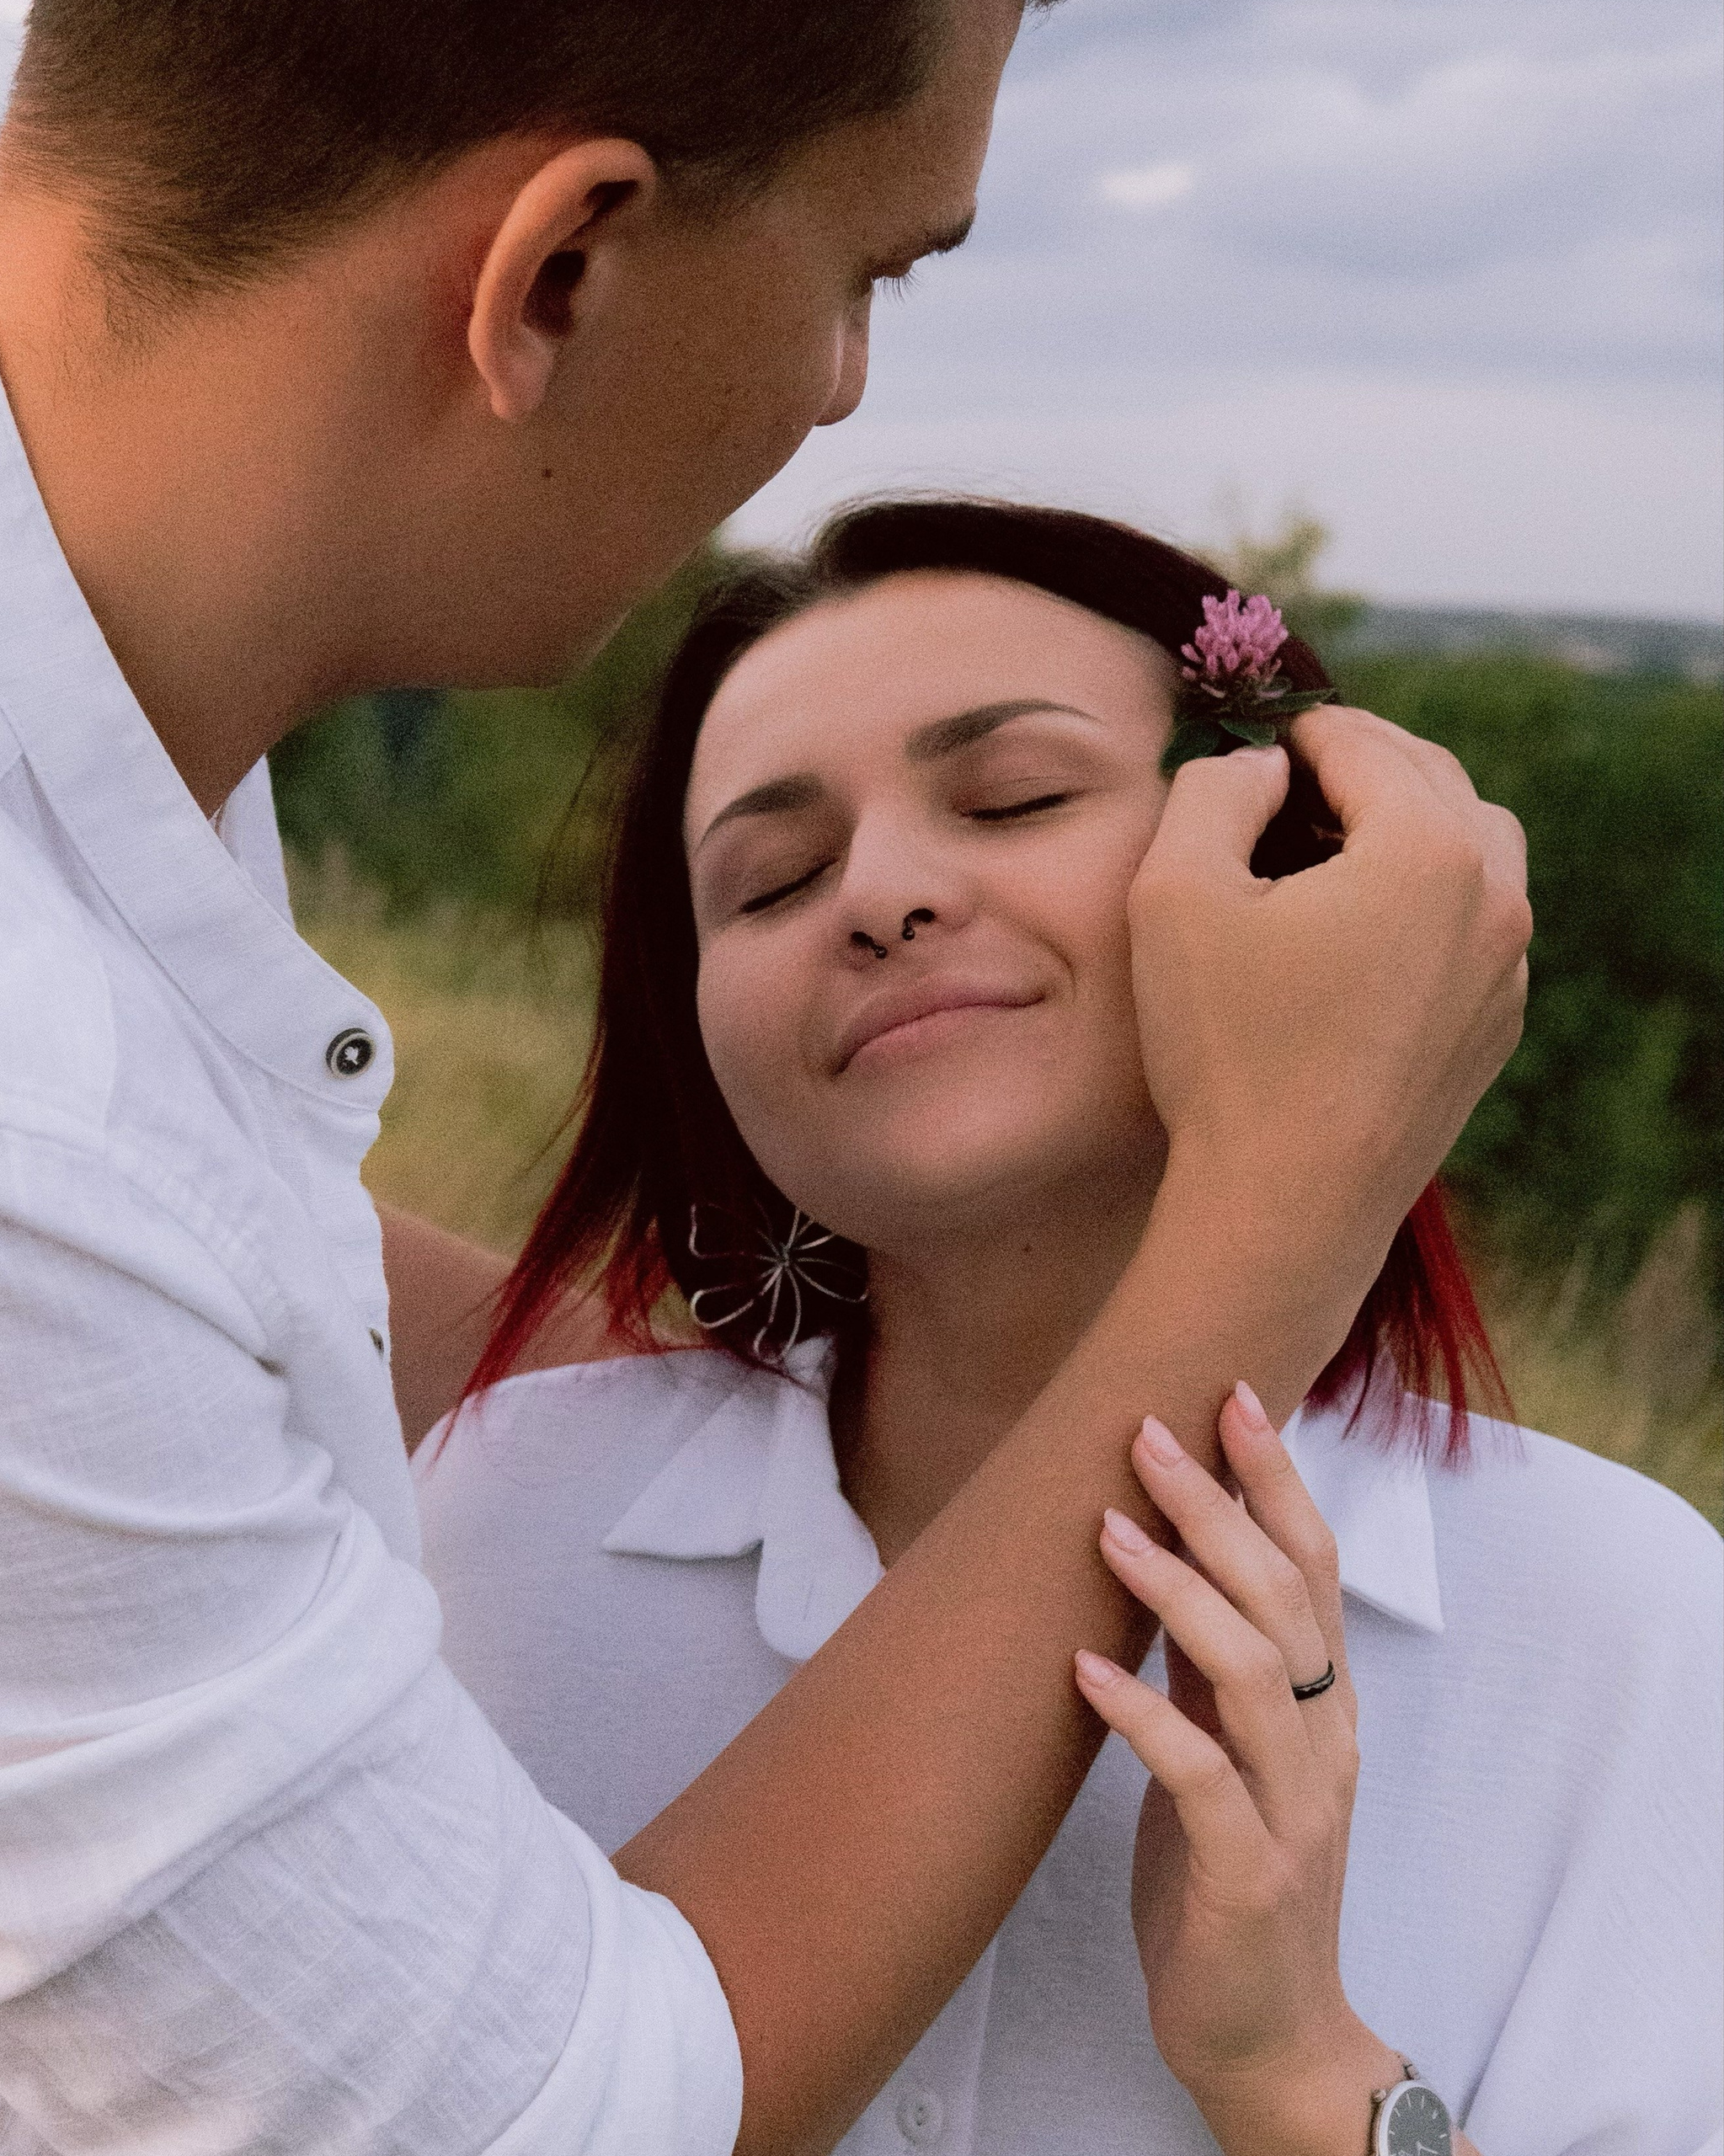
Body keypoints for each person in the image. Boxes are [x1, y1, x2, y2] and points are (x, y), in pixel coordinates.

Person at [0, 6, 1532, 2152]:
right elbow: (575, 2117)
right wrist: (1292, 1187)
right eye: (869, 271)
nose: (841, 389)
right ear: (557, 270)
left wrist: (777, 1401)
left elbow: (55, 1249)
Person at [418, 500, 1724, 2156]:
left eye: (1014, 796)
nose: (878, 895)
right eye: (767, 880)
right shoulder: (500, 1520)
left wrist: (1298, 2067)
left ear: (1295, 857)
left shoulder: (1616, 1620)